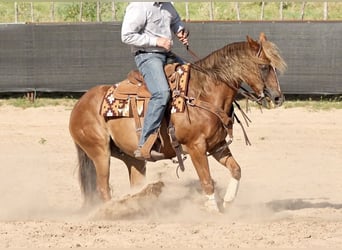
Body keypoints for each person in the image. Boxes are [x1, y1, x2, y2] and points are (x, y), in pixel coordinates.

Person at [121, 2, 189, 160]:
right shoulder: (139, 7)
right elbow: (126, 35)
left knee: (193, 79)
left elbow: (175, 21)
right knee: (161, 93)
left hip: (167, 54)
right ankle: (144, 144)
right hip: (147, 55)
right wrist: (156, 41)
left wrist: (180, 31)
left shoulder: (168, 5)